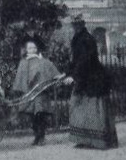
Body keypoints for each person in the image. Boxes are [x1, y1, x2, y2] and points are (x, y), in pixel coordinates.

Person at [67, 17, 117, 149]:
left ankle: (97, 141)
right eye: (74, 24)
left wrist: (74, 75)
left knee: (92, 107)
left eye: (77, 24)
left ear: (82, 25)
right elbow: (76, 59)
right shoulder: (78, 38)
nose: (75, 27)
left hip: (92, 77)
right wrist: (66, 73)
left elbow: (85, 60)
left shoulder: (86, 39)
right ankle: (84, 139)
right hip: (85, 77)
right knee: (80, 106)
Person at [12, 39, 64, 146]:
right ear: (26, 50)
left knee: (40, 113)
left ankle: (41, 136)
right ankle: (36, 135)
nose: (33, 50)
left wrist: (58, 76)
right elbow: (20, 78)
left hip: (40, 92)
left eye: (34, 48)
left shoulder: (43, 61)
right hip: (28, 92)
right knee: (31, 116)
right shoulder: (23, 62)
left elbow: (52, 70)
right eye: (30, 48)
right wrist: (20, 89)